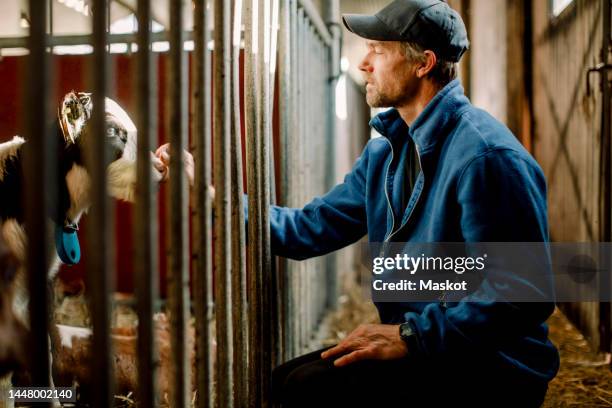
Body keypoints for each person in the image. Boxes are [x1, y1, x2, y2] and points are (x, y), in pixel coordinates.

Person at [157, 1, 560, 406]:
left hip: (491, 367)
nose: (364, 63)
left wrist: (412, 335)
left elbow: (523, 292)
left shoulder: (486, 156)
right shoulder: (385, 153)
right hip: (431, 344)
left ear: (424, 64)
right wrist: (214, 198)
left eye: (377, 50)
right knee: (279, 382)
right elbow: (310, 228)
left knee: (304, 391)